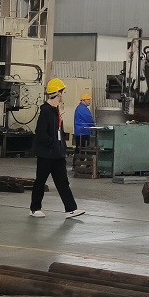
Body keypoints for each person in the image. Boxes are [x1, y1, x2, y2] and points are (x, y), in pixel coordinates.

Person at [29, 78, 85, 220]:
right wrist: (53, 144)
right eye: (62, 92)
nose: (63, 95)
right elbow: (41, 133)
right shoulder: (46, 111)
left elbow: (59, 131)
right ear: (58, 93)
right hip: (46, 154)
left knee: (63, 182)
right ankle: (35, 208)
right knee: (40, 181)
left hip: (57, 154)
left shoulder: (56, 110)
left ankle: (71, 209)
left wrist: (61, 148)